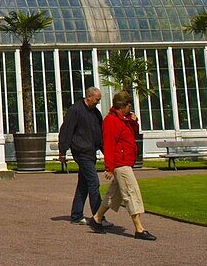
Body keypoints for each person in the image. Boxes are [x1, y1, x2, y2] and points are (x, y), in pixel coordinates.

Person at [89, 91, 157, 240]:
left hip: (124, 161)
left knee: (113, 195)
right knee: (131, 193)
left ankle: (97, 218)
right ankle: (139, 228)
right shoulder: (111, 121)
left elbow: (132, 135)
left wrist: (133, 122)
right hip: (121, 163)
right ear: (123, 106)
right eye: (129, 105)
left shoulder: (123, 120)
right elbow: (109, 143)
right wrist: (109, 167)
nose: (130, 108)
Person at [58, 86, 104, 224]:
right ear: (88, 97)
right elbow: (66, 130)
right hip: (81, 152)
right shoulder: (75, 110)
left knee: (83, 184)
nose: (98, 103)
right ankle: (98, 216)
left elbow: (99, 134)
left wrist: (105, 150)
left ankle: (76, 215)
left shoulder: (95, 113)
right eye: (96, 100)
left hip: (90, 151)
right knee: (93, 182)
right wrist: (62, 151)